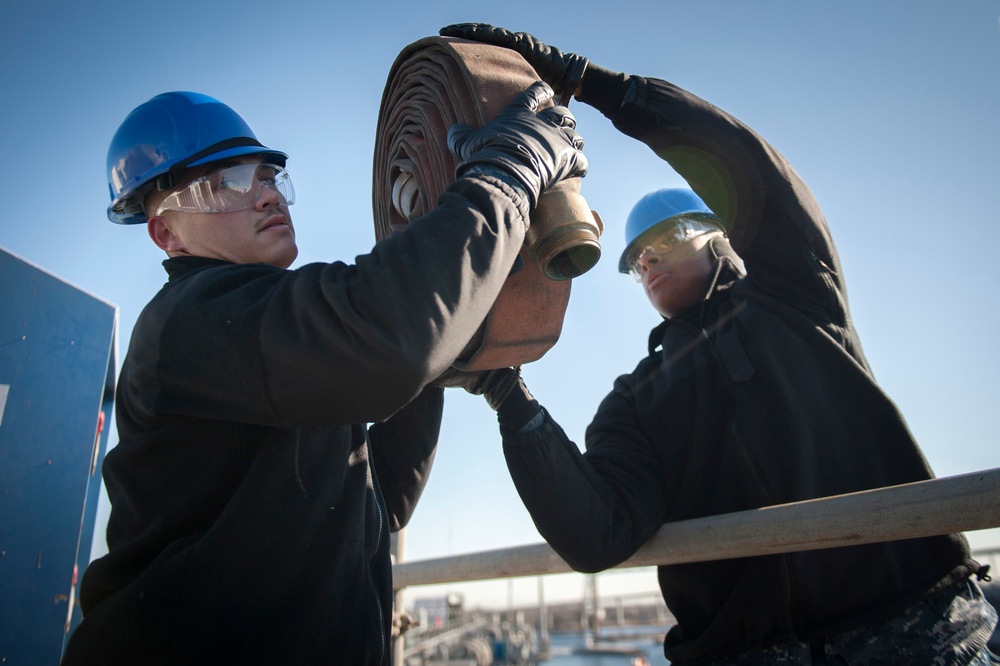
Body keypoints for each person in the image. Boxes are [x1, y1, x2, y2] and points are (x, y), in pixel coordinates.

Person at [439, 23, 999, 665]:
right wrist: (507, 393)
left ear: (717, 234)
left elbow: (751, 170)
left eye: (667, 241)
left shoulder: (796, 297)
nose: (648, 262)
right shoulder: (635, 401)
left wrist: (597, 86)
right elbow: (600, 533)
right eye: (637, 258)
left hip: (911, 633)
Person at [62, 84, 586, 665]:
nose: (265, 196)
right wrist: (510, 170)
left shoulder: (273, 358)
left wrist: (436, 360)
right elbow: (386, 337)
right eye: (229, 182)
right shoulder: (188, 322)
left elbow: (376, 502)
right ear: (166, 233)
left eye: (267, 176)